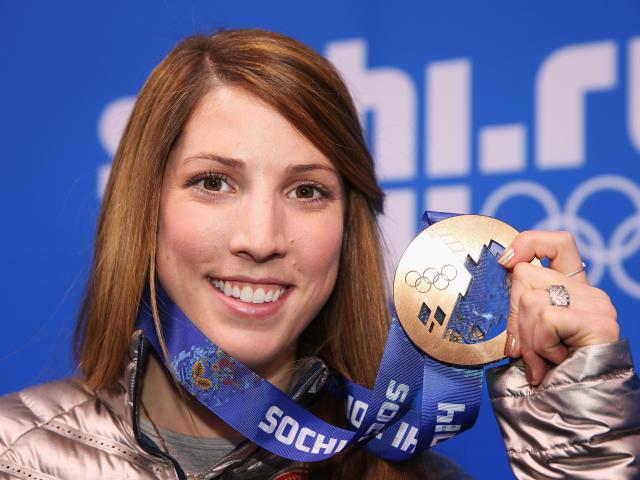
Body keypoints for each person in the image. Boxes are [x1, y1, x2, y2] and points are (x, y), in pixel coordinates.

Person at [0, 29, 637, 480]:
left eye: (307, 191)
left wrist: (576, 435)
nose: (261, 238)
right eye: (213, 182)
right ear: (146, 206)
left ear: (346, 226)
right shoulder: (15, 455)